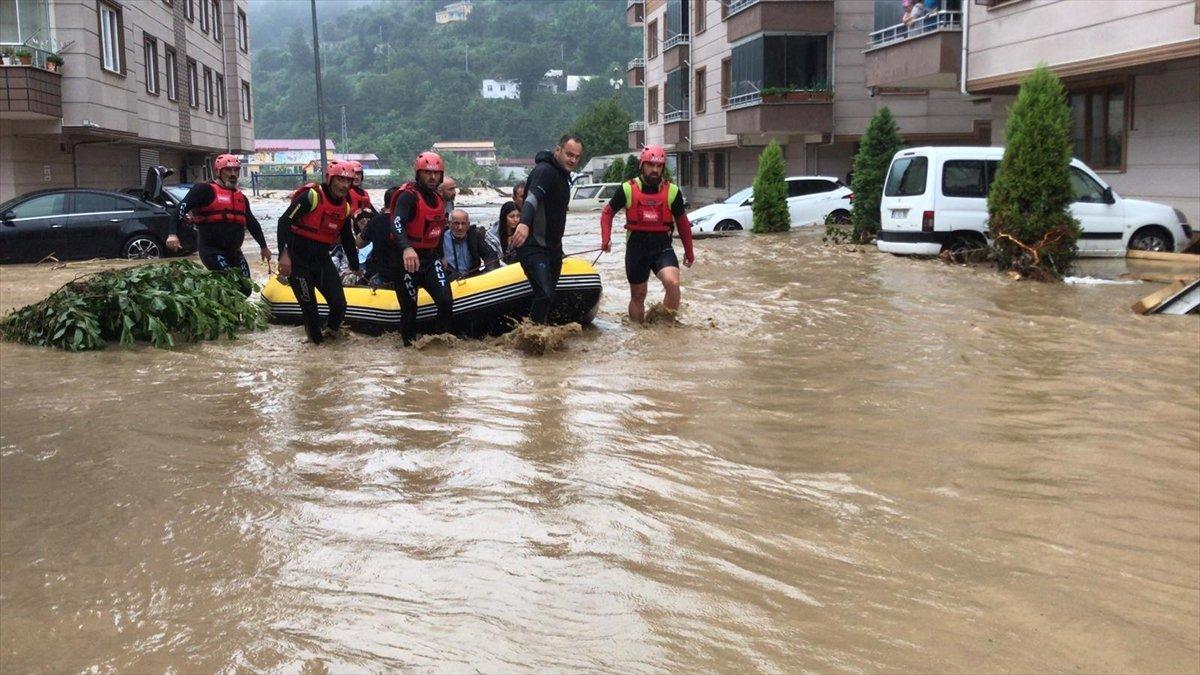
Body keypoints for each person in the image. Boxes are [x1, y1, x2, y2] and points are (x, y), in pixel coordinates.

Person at [600, 144, 695, 323]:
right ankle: (639, 334)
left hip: (662, 248)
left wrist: (689, 252)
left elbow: (682, 223)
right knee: (638, 295)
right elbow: (607, 213)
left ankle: (664, 330)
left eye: (659, 166)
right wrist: (606, 239)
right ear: (642, 165)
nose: (655, 170)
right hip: (637, 250)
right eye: (651, 165)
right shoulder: (627, 189)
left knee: (673, 284)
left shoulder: (673, 191)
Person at [277, 160, 363, 344]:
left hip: (321, 261)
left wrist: (355, 266)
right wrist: (283, 255)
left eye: (348, 181)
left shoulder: (345, 207)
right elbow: (284, 222)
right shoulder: (312, 197)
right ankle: (316, 349)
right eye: (340, 180)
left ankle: (331, 336)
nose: (345, 185)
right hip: (298, 261)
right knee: (310, 309)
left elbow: (347, 238)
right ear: (330, 179)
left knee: (339, 305)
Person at [167, 154, 270, 288]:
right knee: (231, 285)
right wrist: (172, 234)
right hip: (211, 250)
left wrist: (264, 247)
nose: (233, 174)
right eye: (228, 170)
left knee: (246, 288)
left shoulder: (241, 198)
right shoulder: (204, 190)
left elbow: (252, 222)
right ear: (218, 172)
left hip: (234, 251)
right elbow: (180, 208)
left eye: (236, 170)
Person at [509, 135, 582, 324]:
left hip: (553, 249)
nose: (573, 160)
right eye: (569, 154)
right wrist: (523, 223)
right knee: (544, 294)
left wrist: (559, 248)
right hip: (533, 246)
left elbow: (556, 218)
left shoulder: (563, 177)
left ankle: (540, 336)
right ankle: (532, 337)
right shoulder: (545, 170)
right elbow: (532, 198)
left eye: (577, 157)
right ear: (558, 150)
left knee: (548, 296)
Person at [388, 152, 455, 346]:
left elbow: (438, 230)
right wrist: (407, 248)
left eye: (436, 174)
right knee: (409, 309)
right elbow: (396, 223)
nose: (432, 177)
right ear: (418, 173)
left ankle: (439, 345)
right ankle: (409, 351)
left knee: (445, 301)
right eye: (427, 173)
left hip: (429, 258)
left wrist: (441, 256)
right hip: (406, 260)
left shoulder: (439, 199)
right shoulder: (408, 196)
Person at [441, 209, 499, 281]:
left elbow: (489, 254)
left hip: (473, 280)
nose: (460, 227)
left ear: (468, 225)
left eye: (463, 223)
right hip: (451, 281)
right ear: (449, 224)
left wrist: (489, 272)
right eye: (456, 223)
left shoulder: (474, 236)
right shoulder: (440, 239)